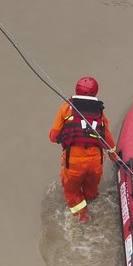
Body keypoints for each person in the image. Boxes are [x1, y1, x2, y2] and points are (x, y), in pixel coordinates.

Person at [49, 76, 116, 223]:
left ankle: (83, 218)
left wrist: (65, 135)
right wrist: (114, 155)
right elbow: (107, 138)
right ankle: (92, 204)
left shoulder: (66, 108)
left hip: (74, 163)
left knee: (72, 192)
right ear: (95, 93)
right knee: (91, 190)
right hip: (95, 163)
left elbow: (53, 137)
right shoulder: (99, 112)